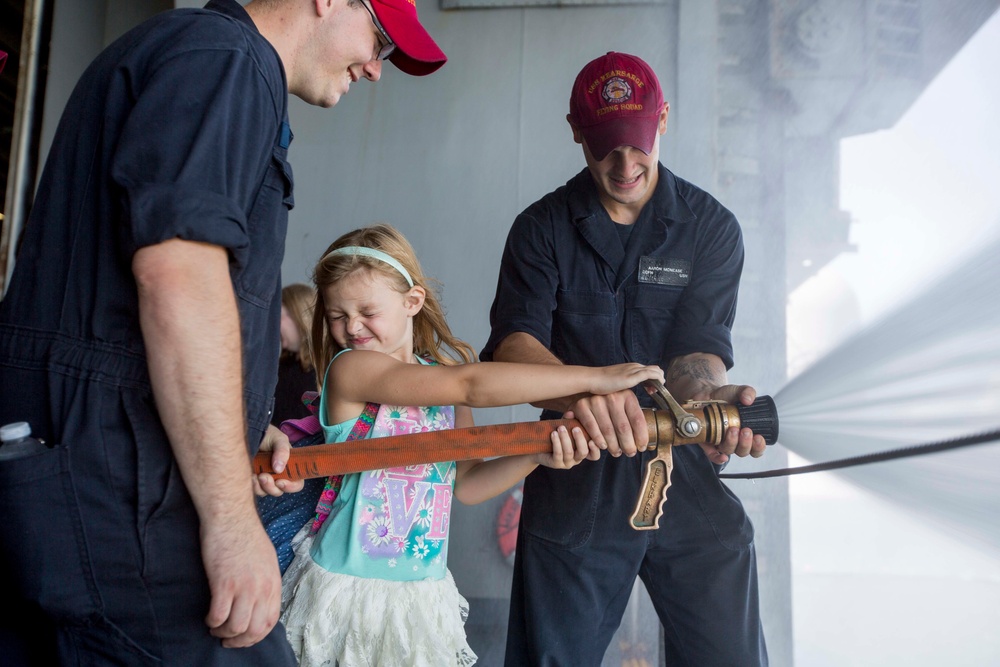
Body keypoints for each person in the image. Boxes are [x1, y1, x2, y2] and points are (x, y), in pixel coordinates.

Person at [0, 1, 447, 664]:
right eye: (379, 37)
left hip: (76, 464)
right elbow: (178, 274)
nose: (377, 69)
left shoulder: (188, 53)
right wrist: (234, 522)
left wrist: (236, 423)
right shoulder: (227, 63)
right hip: (119, 487)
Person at [481, 52, 770, 666]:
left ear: (662, 120)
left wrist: (713, 400)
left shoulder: (711, 228)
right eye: (605, 147)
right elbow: (513, 347)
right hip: (575, 461)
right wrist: (589, 395)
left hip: (678, 462)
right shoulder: (541, 229)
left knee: (727, 571)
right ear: (575, 130)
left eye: (637, 145)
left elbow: (699, 354)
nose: (624, 165)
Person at [277, 224, 665, 666]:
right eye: (336, 315)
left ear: (412, 302)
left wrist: (535, 455)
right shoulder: (352, 370)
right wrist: (597, 377)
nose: (352, 327)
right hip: (347, 587)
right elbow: (470, 384)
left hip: (419, 594)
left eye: (367, 310)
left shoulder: (440, 389)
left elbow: (468, 483)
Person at [273, 283, 319, 426]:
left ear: (300, 316)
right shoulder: (279, 368)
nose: (274, 324)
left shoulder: (325, 370)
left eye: (279, 316)